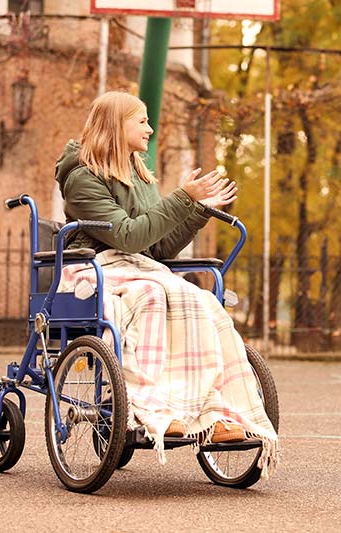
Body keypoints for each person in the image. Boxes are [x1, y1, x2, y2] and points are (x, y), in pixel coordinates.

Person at [53, 91, 277, 472]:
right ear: (115, 125)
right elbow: (127, 237)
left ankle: (213, 412)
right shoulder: (81, 179)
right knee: (153, 295)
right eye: (141, 121)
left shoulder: (139, 173)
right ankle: (153, 411)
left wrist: (197, 210)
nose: (150, 128)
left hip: (138, 265)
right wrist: (180, 198)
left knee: (201, 301)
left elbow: (156, 249)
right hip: (92, 268)